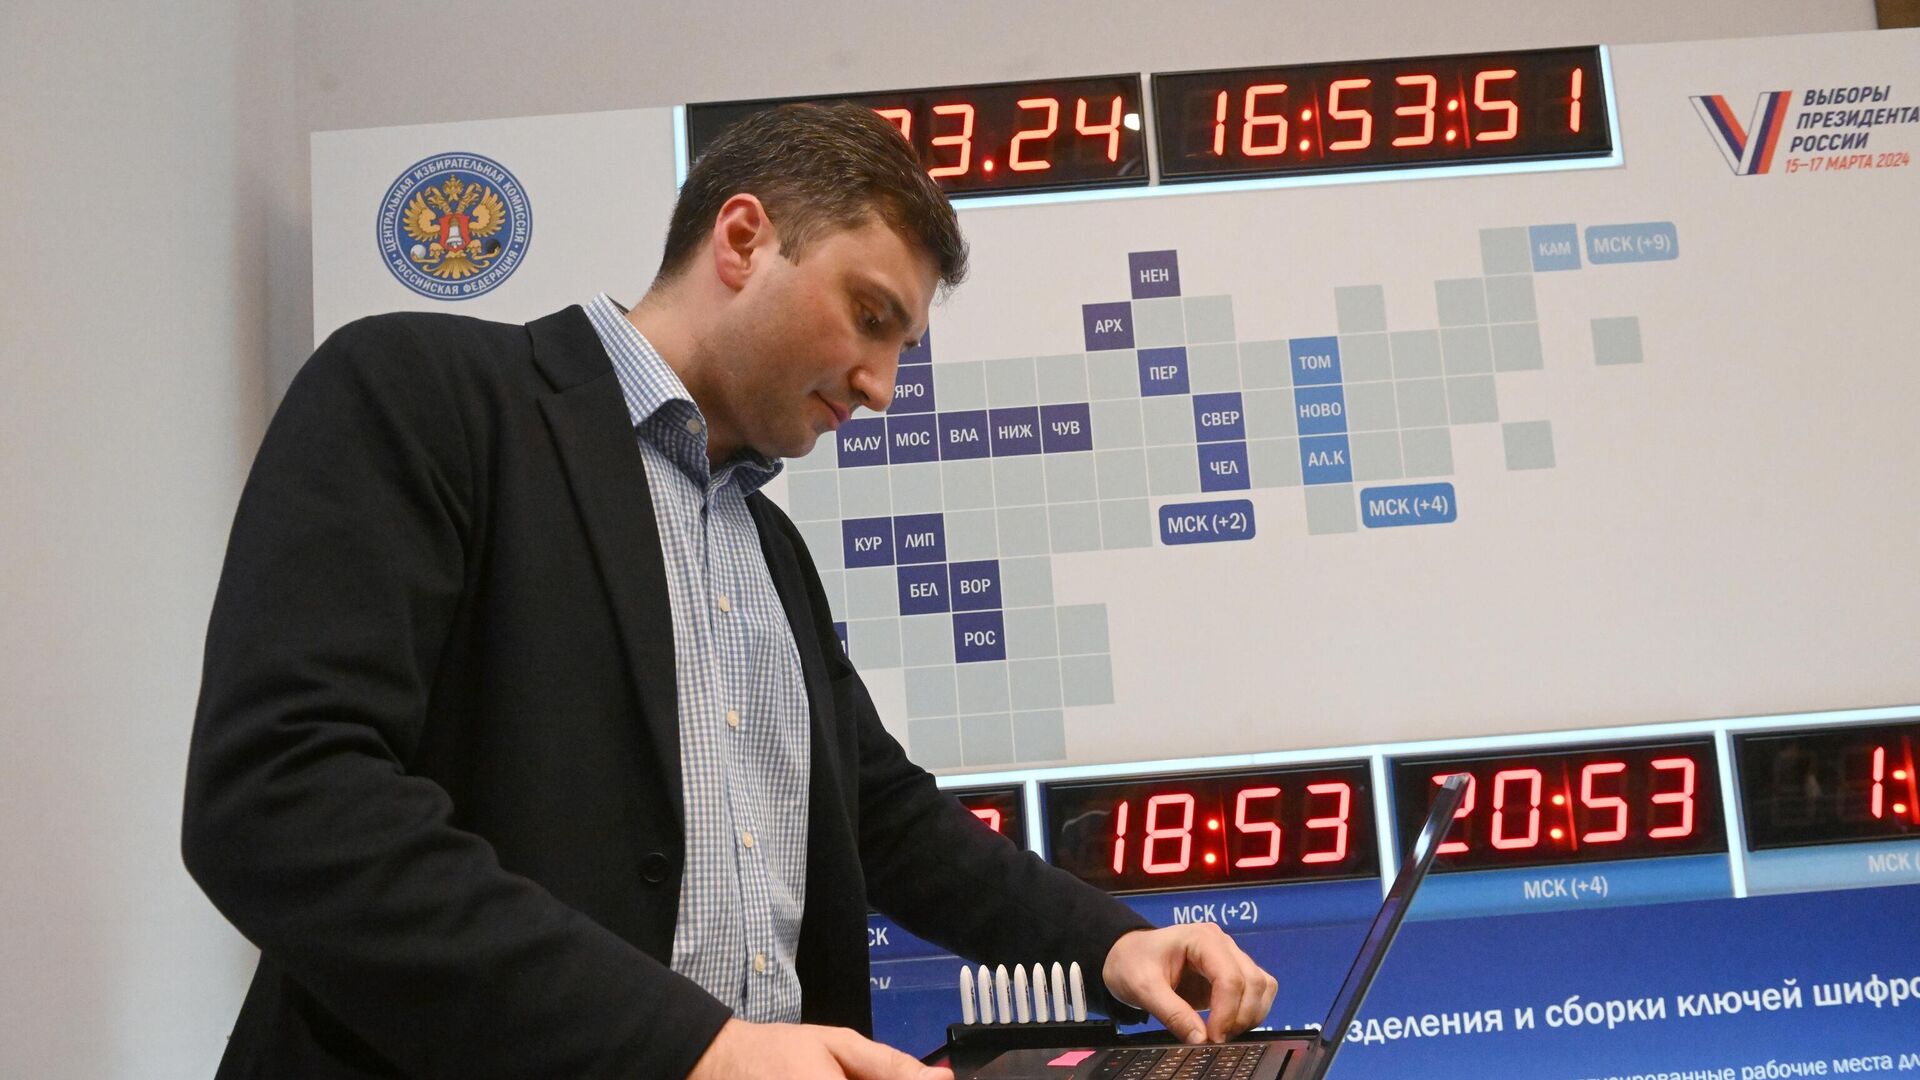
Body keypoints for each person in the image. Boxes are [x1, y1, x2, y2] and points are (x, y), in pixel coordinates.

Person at [183, 102, 1277, 1080]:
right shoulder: (425, 397)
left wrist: (1112, 944)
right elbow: (283, 800)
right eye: (871, 315)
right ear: (744, 239)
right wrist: (694, 1048)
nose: (883, 388)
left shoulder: (769, 546)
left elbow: (881, 817)